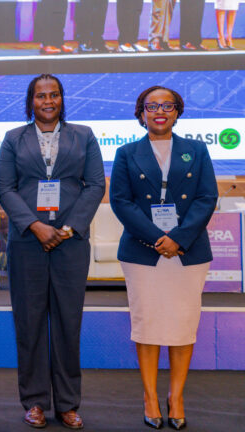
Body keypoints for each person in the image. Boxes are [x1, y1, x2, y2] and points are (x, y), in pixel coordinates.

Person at [0, 74, 105, 430]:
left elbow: (95, 185)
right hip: (28, 242)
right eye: (40, 96)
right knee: (28, 325)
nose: (48, 101)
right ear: (31, 102)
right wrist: (36, 225)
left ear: (62, 99)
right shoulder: (14, 139)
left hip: (70, 243)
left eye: (54, 94)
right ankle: (35, 402)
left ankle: (68, 404)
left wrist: (69, 227)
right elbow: (6, 188)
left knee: (67, 324)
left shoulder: (84, 136)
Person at [109, 86, 217, 430]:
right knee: (148, 324)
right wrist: (158, 238)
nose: (159, 111)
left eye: (167, 105)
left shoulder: (196, 150)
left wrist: (179, 238)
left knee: (183, 325)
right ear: (141, 113)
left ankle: (177, 397)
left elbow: (206, 197)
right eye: (151, 106)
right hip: (144, 252)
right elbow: (121, 201)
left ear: (177, 111)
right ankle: (151, 398)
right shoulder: (127, 153)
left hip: (188, 252)